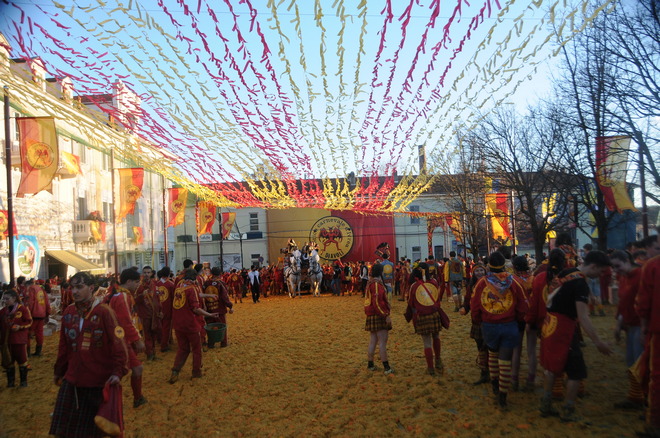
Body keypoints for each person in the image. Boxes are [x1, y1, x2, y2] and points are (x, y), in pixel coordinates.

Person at [49, 272, 128, 437]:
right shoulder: (69, 312)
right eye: (72, 287)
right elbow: (64, 346)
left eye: (79, 287)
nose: (74, 291)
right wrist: (59, 370)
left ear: (91, 288)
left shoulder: (105, 312)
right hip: (72, 379)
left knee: (92, 433)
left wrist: (118, 372)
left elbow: (118, 344)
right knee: (64, 432)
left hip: (97, 382)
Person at [539, 250, 613, 423]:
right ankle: (568, 410)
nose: (601, 275)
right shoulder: (580, 284)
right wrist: (598, 342)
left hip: (549, 324)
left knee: (551, 366)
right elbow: (583, 317)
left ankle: (545, 404)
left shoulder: (566, 272)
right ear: (593, 266)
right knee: (576, 371)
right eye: (601, 271)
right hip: (563, 329)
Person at [470, 251, 528, 409]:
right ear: (504, 265)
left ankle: (495, 383)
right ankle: (503, 395)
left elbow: (474, 305)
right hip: (509, 325)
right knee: (505, 361)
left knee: (493, 355)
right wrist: (519, 319)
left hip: (489, 325)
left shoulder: (482, 283)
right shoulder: (513, 282)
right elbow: (523, 305)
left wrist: (478, 320)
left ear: (489, 265)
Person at [525, 248, 566, 393]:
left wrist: (530, 321)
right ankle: (563, 384)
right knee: (564, 352)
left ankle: (544, 385)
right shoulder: (570, 277)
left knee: (546, 354)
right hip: (565, 322)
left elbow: (534, 302)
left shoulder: (540, 277)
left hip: (545, 323)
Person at [105, 269, 147, 408]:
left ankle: (137, 398)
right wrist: (137, 339)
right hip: (121, 340)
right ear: (128, 282)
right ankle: (137, 398)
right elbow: (126, 321)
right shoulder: (122, 296)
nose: (137, 285)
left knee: (128, 369)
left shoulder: (119, 294)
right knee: (134, 369)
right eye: (136, 282)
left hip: (120, 338)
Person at [169, 269, 219, 383]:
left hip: (178, 323)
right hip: (190, 324)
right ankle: (196, 372)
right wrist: (209, 314)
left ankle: (175, 371)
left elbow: (197, 295)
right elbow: (196, 308)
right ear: (194, 278)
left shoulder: (179, 286)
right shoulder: (192, 288)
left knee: (183, 349)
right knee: (197, 348)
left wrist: (208, 295)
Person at [610, 250, 644, 410]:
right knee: (632, 362)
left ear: (627, 261)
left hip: (640, 325)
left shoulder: (641, 275)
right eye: (614, 268)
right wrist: (619, 324)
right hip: (630, 325)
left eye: (618, 266)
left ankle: (644, 398)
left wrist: (645, 327)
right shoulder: (624, 277)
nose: (616, 271)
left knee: (639, 362)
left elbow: (645, 303)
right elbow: (623, 302)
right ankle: (636, 396)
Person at [635, 234, 660, 437]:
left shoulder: (652, 266)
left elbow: (643, 303)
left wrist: (643, 327)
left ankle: (654, 423)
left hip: (657, 329)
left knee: (656, 376)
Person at [406, 263, 444, 376]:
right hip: (434, 314)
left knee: (427, 343)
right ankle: (438, 360)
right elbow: (437, 297)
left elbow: (411, 302)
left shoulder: (414, 286)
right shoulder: (434, 282)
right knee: (436, 336)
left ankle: (430, 368)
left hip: (422, 315)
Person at [459, 262, 488, 385]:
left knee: (489, 346)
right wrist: (465, 308)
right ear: (473, 273)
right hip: (476, 320)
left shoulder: (490, 283)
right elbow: (467, 299)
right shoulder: (471, 286)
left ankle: (491, 370)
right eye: (477, 271)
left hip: (488, 319)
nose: (480, 273)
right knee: (480, 345)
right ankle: (484, 371)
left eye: (481, 270)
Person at [364, 263, 393, 375]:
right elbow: (376, 302)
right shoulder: (376, 284)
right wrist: (385, 315)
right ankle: (386, 367)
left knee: (373, 340)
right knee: (382, 342)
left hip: (372, 314)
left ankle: (370, 364)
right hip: (378, 314)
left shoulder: (371, 283)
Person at [0, 290, 32, 387]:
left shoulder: (22, 309)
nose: (5, 301)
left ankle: (23, 382)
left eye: (7, 299)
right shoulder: (2, 311)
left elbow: (29, 322)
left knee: (22, 361)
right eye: (4, 299)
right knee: (9, 362)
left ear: (14, 298)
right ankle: (10, 383)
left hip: (19, 340)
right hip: (6, 342)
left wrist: (20, 327)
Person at [135, 266, 162, 361]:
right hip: (145, 314)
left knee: (154, 333)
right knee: (147, 335)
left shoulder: (154, 284)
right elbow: (135, 300)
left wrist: (160, 310)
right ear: (142, 273)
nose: (146, 274)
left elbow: (158, 298)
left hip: (154, 313)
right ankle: (149, 354)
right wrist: (142, 295)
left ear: (151, 273)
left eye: (148, 272)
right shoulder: (139, 286)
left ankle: (153, 353)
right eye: (145, 272)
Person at [202, 267, 234, 348]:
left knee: (210, 326)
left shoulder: (206, 283)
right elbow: (224, 296)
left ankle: (211, 343)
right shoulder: (221, 283)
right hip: (219, 309)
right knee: (222, 325)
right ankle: (223, 342)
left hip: (209, 309)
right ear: (220, 274)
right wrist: (230, 306)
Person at [25, 279, 50, 357]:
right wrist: (47, 313)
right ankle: (38, 351)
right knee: (39, 333)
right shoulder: (41, 289)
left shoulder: (31, 289)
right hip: (42, 314)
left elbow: (30, 302)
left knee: (28, 333)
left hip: (33, 314)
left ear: (27, 285)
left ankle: (27, 353)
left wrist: (27, 314)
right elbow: (47, 302)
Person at [156, 267, 175, 353]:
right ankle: (164, 345)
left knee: (159, 326)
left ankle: (160, 341)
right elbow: (173, 298)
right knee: (166, 328)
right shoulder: (171, 284)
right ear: (168, 274)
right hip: (167, 309)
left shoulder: (156, 284)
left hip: (157, 308)